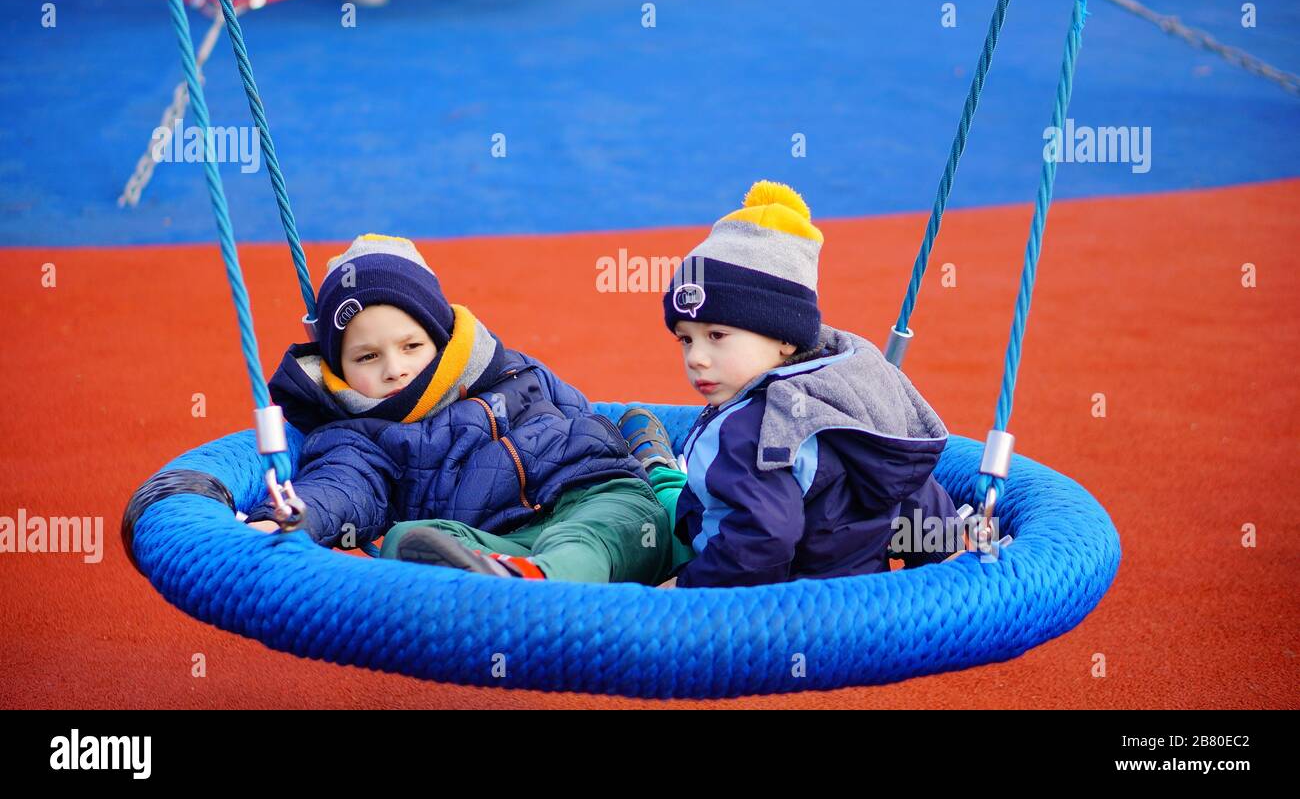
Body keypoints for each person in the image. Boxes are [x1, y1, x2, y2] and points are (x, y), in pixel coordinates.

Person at [244, 233, 669, 585]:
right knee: (407, 540)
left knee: (587, 537)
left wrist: (639, 461)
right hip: (495, 542)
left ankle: (541, 591)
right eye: (367, 357)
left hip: (592, 499)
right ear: (338, 368)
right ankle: (510, 582)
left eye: (411, 346)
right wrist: (289, 519)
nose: (396, 370)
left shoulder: (509, 370)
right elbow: (340, 488)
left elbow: (584, 418)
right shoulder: (357, 437)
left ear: (440, 338)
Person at [641, 180, 962, 588]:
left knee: (645, 533)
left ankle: (654, 473)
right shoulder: (848, 400)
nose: (696, 357)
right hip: (861, 597)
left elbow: (764, 539)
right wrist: (947, 556)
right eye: (686, 339)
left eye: (717, 336)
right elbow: (906, 483)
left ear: (785, 338)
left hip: (780, 613)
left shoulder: (751, 430)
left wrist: (688, 589)